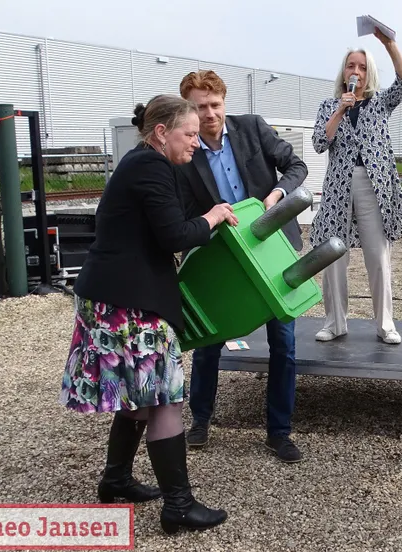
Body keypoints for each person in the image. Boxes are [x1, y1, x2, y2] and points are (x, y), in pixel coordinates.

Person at [60, 94, 237, 534]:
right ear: (162, 132)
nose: (197, 142)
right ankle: (178, 506)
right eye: (190, 134)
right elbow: (175, 234)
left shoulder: (142, 162)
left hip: (114, 296)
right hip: (129, 303)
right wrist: (213, 217)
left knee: (139, 396)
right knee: (165, 399)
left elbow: (160, 227)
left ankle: (116, 478)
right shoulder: (151, 167)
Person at [176, 69, 309, 463]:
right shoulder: (185, 151)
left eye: (215, 105)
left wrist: (278, 194)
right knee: (208, 341)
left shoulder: (253, 128)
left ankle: (279, 432)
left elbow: (297, 166)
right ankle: (200, 420)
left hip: (273, 250)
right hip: (220, 259)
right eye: (200, 108)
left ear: (225, 102)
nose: (210, 114)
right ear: (190, 109)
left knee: (283, 345)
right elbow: (182, 209)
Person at [310, 27, 402, 345]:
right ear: (343, 72)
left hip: (374, 187)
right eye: (350, 65)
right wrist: (341, 110)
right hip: (337, 190)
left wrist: (389, 44)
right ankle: (334, 322)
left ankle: (386, 324)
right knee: (333, 257)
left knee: (377, 256)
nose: (355, 71)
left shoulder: (380, 103)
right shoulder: (329, 106)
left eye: (361, 66)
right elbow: (319, 143)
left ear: (368, 72)